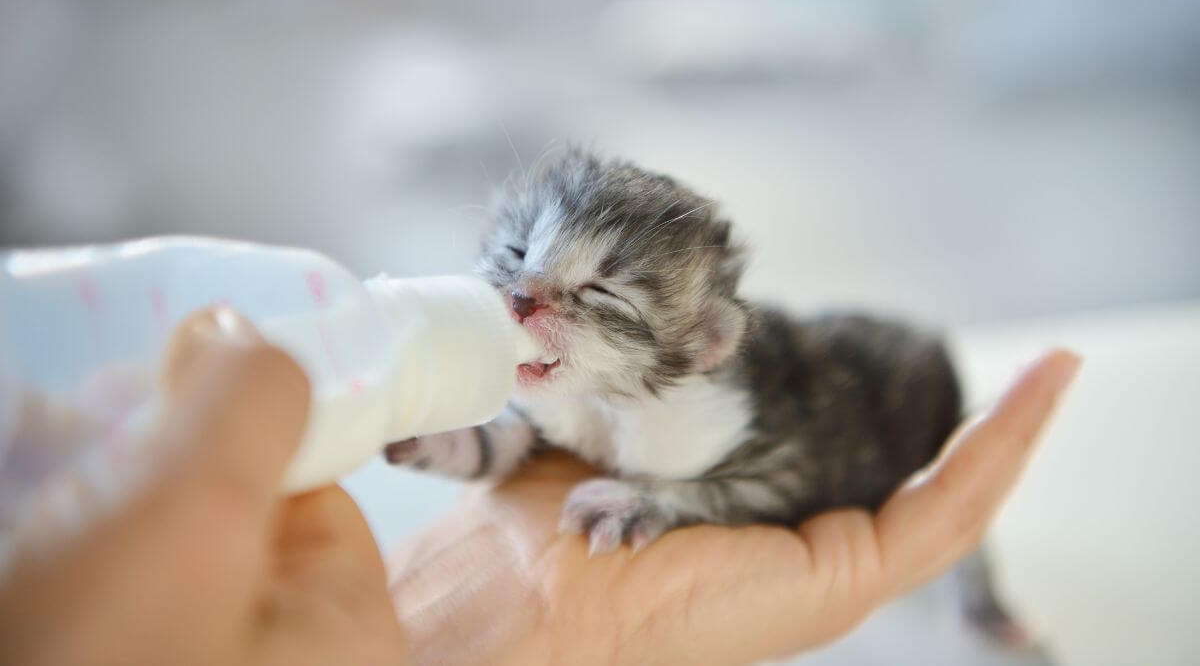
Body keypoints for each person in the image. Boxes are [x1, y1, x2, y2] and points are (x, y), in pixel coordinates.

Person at [0, 309, 1081, 665]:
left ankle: (977, 596)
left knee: (953, 522)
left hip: (885, 396)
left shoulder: (718, 412)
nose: (522, 308)